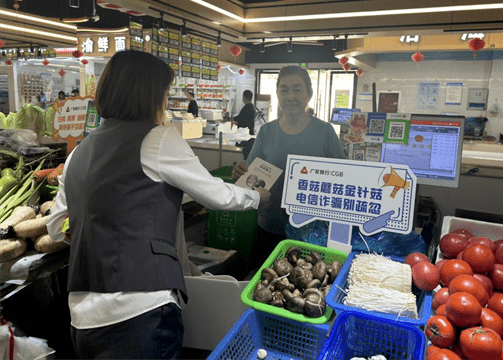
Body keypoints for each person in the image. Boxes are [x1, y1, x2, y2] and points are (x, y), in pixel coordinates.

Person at [46, 50, 270, 360]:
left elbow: (56, 228)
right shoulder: (158, 139)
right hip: (141, 310)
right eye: (164, 94)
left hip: (83, 317)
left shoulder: (79, 152)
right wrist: (257, 196)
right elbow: (218, 195)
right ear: (149, 95)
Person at [231, 65, 344, 258]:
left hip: (312, 233)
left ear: (309, 94)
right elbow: (250, 175)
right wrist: (240, 172)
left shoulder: (325, 132)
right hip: (270, 228)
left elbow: (343, 179)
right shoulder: (267, 132)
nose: (290, 96)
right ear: (277, 93)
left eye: (297, 89)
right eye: (284, 89)